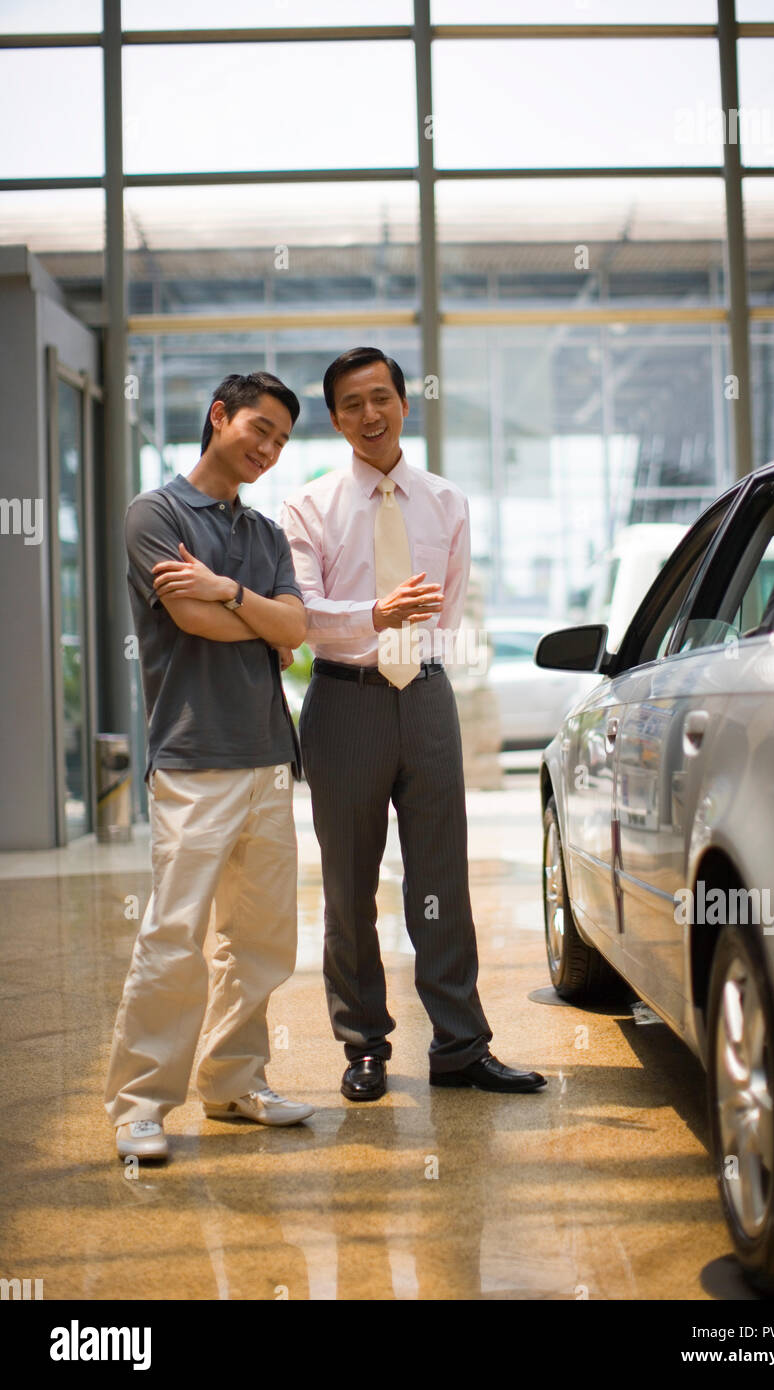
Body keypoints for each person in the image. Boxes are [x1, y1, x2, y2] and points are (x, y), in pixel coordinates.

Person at [281, 347, 546, 1101]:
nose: (369, 415)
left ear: (404, 403)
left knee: (441, 880)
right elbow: (301, 617)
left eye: (381, 398)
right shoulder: (308, 506)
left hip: (426, 696)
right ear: (335, 419)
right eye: (352, 404)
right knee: (348, 886)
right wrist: (375, 616)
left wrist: (414, 655)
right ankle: (364, 1046)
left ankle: (461, 1046)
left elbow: (448, 609)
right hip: (344, 701)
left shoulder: (446, 501)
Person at [105, 371, 314, 1162]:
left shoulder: (265, 534)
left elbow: (297, 627)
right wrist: (261, 619)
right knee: (174, 934)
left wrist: (228, 590)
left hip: (269, 756)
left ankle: (234, 1082)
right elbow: (193, 619)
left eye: (282, 441)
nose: (269, 449)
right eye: (260, 429)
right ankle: (139, 1104)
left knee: (260, 939)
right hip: (194, 757)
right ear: (219, 417)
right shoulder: (155, 513)